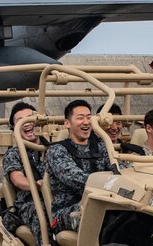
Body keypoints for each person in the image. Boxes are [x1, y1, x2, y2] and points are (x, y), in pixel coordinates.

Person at [44, 99, 117, 234]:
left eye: (89, 118)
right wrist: (113, 185)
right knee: (108, 219)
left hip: (103, 202)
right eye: (80, 118)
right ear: (67, 123)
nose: (86, 122)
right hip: (68, 211)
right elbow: (74, 178)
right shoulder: (57, 150)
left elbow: (119, 169)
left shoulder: (101, 147)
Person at [0, 102, 45, 238]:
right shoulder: (14, 154)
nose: (27, 123)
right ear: (14, 128)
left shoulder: (55, 148)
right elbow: (17, 179)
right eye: (21, 121)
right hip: (29, 202)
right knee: (40, 213)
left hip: (58, 198)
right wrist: (36, 185)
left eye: (31, 118)